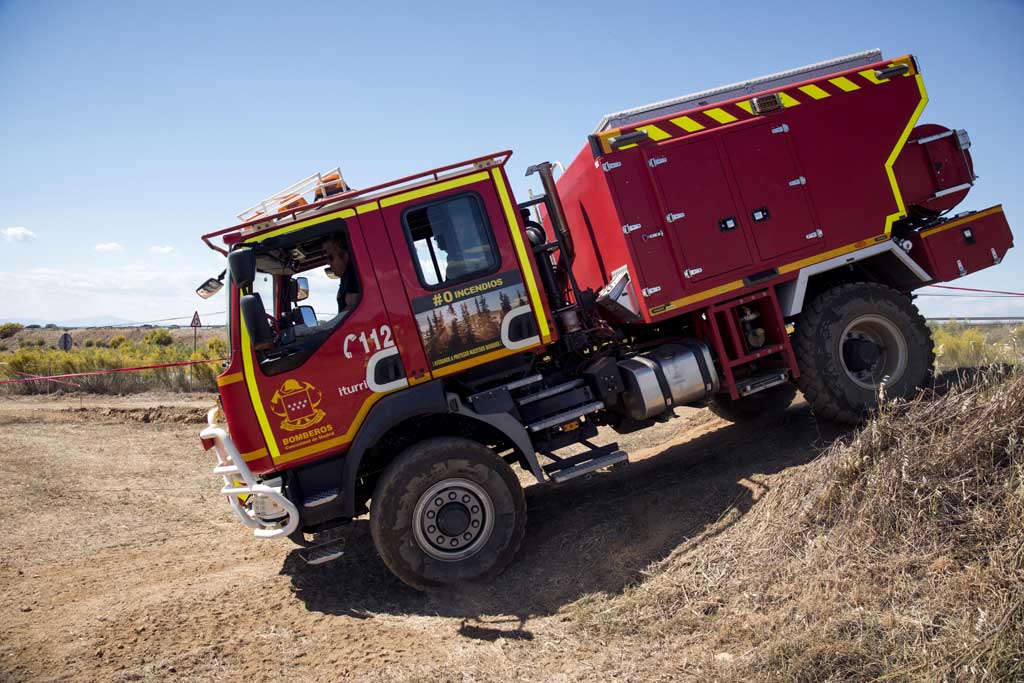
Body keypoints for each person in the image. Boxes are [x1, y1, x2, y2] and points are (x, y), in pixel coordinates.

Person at [324, 233, 361, 314]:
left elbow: (351, 310)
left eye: (331, 258)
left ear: (344, 256)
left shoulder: (352, 276)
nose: (328, 263)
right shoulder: (347, 276)